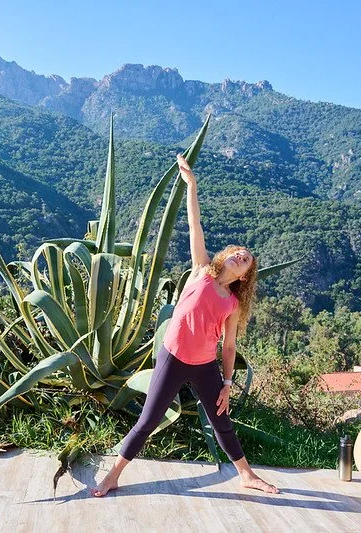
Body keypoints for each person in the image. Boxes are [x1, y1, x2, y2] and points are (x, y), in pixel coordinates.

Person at [90, 153, 279, 497]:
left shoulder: (233, 303)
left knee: (221, 422)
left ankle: (247, 474)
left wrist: (227, 382)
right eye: (239, 251)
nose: (241, 255)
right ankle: (114, 474)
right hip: (173, 358)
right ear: (228, 256)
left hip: (206, 365)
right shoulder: (201, 270)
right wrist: (191, 184)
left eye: (246, 259)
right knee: (147, 421)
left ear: (245, 275)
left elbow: (230, 346)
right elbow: (195, 224)